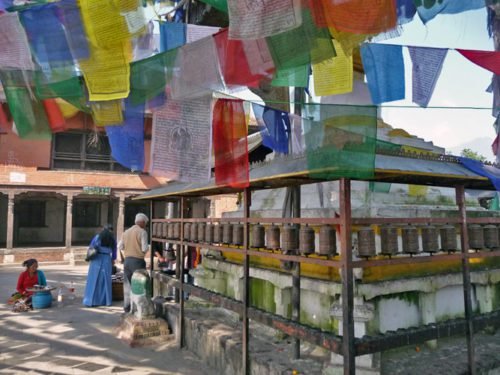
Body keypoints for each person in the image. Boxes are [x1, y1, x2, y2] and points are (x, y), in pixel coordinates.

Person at [118, 213, 149, 313]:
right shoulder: (142, 232)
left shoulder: (126, 232)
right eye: (145, 224)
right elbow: (144, 248)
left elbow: (120, 246)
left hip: (127, 261)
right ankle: (138, 308)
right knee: (139, 286)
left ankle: (127, 307)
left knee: (127, 286)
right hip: (138, 262)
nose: (145, 226)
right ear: (143, 222)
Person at [83, 225, 117, 307]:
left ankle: (91, 300)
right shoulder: (113, 240)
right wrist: (112, 260)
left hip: (96, 259)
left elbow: (91, 247)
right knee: (105, 280)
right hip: (106, 260)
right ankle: (106, 301)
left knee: (93, 280)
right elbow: (114, 254)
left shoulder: (97, 237)